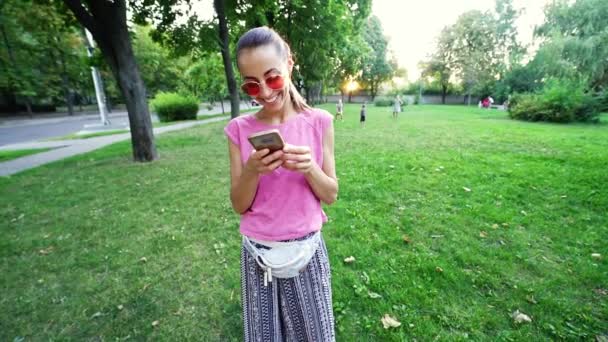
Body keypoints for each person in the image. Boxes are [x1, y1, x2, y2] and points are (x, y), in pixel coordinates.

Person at [223, 26, 338, 341]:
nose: (265, 92)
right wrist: (251, 170)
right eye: (251, 85)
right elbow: (239, 205)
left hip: (307, 252)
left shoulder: (319, 122)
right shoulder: (237, 130)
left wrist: (310, 168)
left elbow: (330, 194)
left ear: (289, 64)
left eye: (272, 78)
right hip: (257, 256)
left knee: (314, 336)